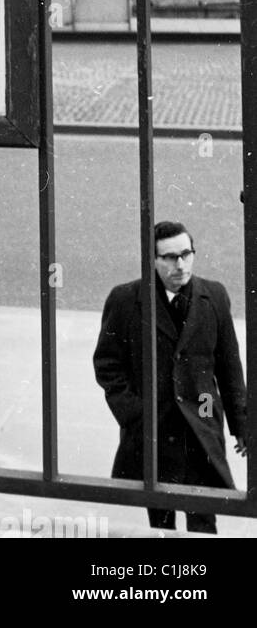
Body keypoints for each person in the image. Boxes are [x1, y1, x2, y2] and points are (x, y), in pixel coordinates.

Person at [93, 221, 248, 533]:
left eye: (186, 254)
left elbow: (229, 367)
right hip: (154, 432)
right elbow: (107, 364)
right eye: (170, 257)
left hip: (201, 428)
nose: (181, 265)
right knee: (160, 520)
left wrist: (241, 426)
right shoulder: (125, 300)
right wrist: (135, 414)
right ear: (152, 259)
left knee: (204, 518)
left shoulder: (214, 296)